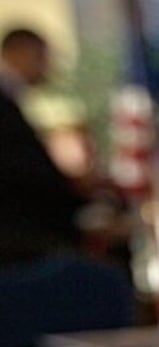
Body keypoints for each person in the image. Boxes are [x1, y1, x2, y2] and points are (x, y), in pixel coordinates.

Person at [0, 27, 88, 264]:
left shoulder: (10, 100)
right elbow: (24, 174)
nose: (48, 66)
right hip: (26, 245)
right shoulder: (5, 104)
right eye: (42, 56)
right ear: (21, 53)